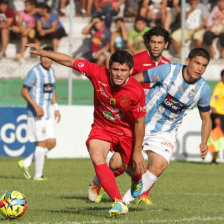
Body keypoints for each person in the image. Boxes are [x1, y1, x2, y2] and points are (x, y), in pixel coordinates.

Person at [25, 43, 146, 217]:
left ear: (130, 70)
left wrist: (138, 151)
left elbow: (140, 122)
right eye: (115, 69)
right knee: (96, 154)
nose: (119, 74)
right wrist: (44, 52)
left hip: (126, 132)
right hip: (102, 128)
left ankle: (136, 180)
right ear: (109, 68)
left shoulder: (135, 90)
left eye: (123, 70)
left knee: (130, 168)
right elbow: (70, 61)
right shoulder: (97, 73)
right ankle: (119, 203)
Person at [89, 26, 170, 204]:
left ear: (166, 45)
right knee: (118, 164)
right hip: (132, 119)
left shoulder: (168, 66)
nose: (156, 46)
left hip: (154, 119)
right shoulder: (137, 60)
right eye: (153, 42)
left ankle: (142, 194)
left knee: (156, 161)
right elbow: (121, 82)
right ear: (147, 43)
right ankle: (98, 181)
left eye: (159, 43)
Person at [122, 48, 212, 205]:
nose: (200, 68)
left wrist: (204, 142)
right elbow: (135, 79)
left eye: (204, 66)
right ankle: (99, 180)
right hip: (141, 123)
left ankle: (123, 202)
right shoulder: (169, 70)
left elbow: (206, 118)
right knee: (116, 164)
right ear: (188, 61)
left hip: (165, 132)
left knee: (159, 165)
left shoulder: (203, 89)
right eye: (197, 63)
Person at [17, 46, 61, 181]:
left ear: (53, 58)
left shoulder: (52, 72)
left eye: (49, 57)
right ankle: (38, 176)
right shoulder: (34, 72)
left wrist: (56, 107)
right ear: (40, 57)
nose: (46, 60)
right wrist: (36, 106)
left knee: (52, 143)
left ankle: (26, 162)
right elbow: (24, 91)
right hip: (36, 113)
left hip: (47, 113)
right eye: (43, 56)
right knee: (41, 143)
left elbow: (51, 89)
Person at [209, 69, 224, 165]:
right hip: (219, 115)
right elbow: (212, 104)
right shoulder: (219, 87)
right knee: (217, 138)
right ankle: (213, 160)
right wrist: (215, 118)